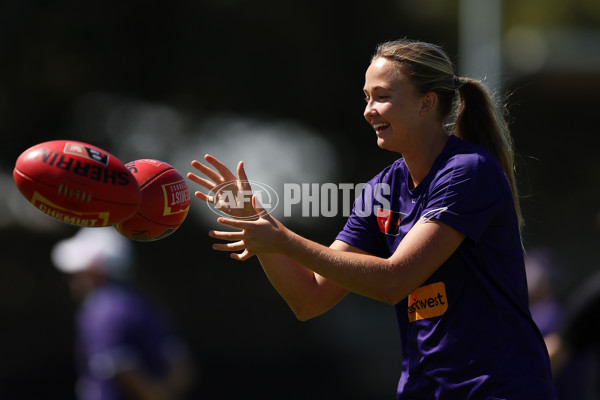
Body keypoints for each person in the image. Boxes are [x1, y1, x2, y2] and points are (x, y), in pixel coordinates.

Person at [187, 39, 556, 399]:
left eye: (382, 96)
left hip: (498, 388)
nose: (368, 110)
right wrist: (259, 220)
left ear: (427, 103)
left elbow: (395, 280)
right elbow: (309, 298)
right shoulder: (383, 189)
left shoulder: (467, 171)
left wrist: (282, 240)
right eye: (367, 97)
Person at [52, 227, 195, 400]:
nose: (71, 280)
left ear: (95, 272)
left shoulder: (100, 310)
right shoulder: (144, 305)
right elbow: (182, 368)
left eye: (76, 273)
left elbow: (120, 367)